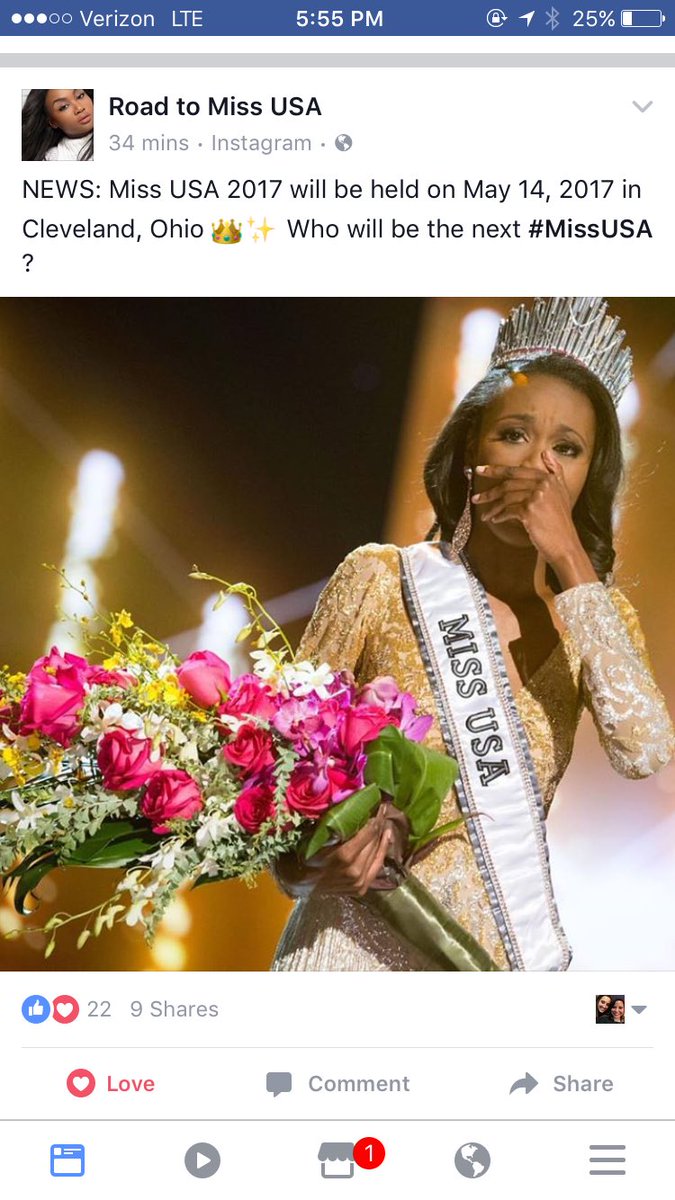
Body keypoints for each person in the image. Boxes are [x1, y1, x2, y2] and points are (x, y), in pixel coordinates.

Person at [271, 297, 674, 972]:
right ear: (469, 452)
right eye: (513, 435)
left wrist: (571, 560)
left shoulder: (595, 618)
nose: (538, 466)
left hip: (486, 963)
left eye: (567, 449)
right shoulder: (381, 578)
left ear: (587, 477)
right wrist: (303, 865)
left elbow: (646, 749)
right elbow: (272, 778)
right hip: (347, 948)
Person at [22, 89, 93, 162]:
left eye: (80, 96)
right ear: (53, 122)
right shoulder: (53, 158)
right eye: (64, 106)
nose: (79, 108)